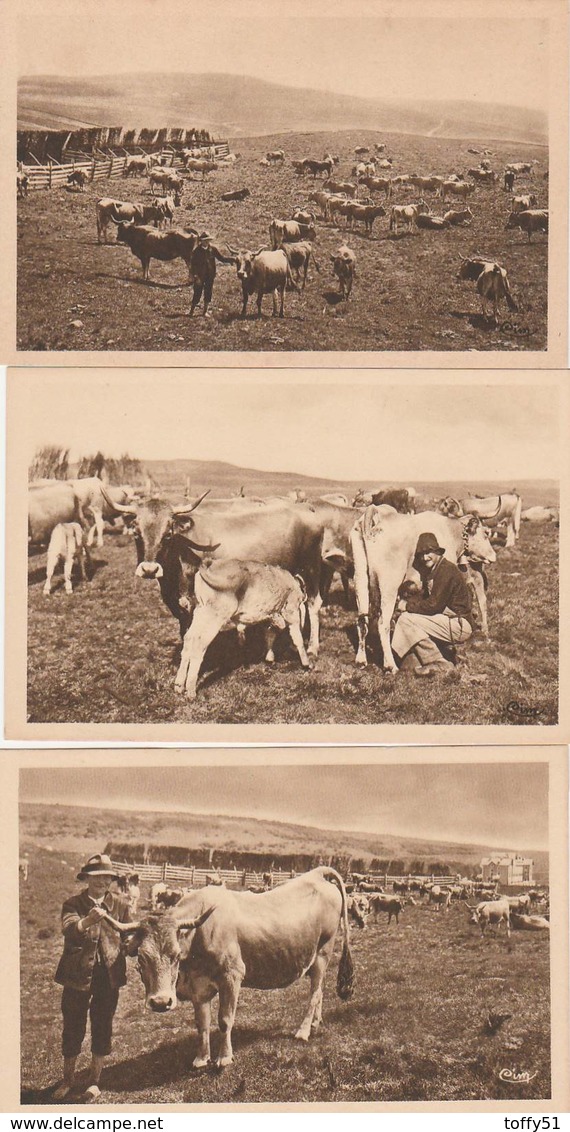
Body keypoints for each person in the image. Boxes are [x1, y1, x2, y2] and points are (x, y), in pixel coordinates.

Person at [53, 854, 131, 1103]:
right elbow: (69, 929)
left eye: (106, 877)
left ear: (111, 880)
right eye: (96, 877)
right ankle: (68, 1080)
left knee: (102, 1025)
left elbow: (129, 936)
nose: (101, 881)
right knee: (73, 1026)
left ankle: (94, 1081)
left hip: (108, 977)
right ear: (86, 878)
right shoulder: (73, 903)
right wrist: (87, 921)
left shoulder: (121, 905)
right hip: (77, 975)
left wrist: (133, 943)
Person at [391, 531, 474, 677]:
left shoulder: (446, 570)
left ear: (437, 551)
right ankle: (422, 659)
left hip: (459, 624)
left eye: (429, 552)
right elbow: (428, 600)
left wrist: (406, 606)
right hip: (450, 621)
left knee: (406, 620)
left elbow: (433, 605)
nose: (425, 557)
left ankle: (437, 661)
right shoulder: (436, 569)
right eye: (422, 554)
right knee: (409, 619)